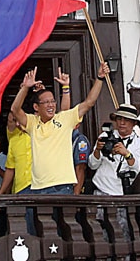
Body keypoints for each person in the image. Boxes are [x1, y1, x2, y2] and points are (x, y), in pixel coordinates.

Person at [11, 62, 109, 194]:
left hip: (62, 187)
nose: (51, 105)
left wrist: (100, 78)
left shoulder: (64, 119)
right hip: (38, 189)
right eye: (46, 102)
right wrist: (25, 88)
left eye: (53, 101)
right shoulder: (32, 123)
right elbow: (15, 109)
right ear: (36, 107)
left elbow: (89, 102)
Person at [88, 104, 140, 242]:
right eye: (119, 119)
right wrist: (98, 150)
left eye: (126, 120)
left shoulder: (139, 143)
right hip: (101, 193)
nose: (122, 123)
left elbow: (137, 168)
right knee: (100, 236)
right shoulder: (106, 136)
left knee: (122, 235)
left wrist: (126, 153)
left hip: (121, 195)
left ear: (133, 123)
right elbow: (92, 164)